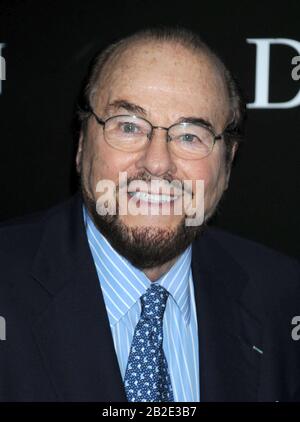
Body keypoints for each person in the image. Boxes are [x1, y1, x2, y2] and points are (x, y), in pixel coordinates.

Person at [0, 27, 299, 402]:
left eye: (190, 135)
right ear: (81, 144)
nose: (157, 163)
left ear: (228, 164)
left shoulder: (283, 298)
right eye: (128, 126)